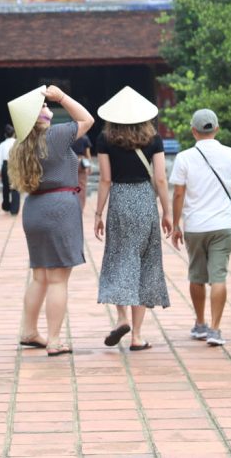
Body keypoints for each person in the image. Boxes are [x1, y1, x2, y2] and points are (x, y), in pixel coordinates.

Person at [8, 84, 94, 357]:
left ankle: (29, 330)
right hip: (59, 208)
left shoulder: (20, 145)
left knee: (40, 276)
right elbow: (86, 119)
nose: (48, 108)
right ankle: (55, 340)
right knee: (57, 279)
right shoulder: (55, 136)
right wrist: (63, 97)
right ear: (36, 117)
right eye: (44, 107)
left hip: (34, 209)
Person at [93, 86, 172, 352]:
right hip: (144, 201)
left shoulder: (105, 139)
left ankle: (121, 318)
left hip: (119, 201)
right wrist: (167, 212)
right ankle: (137, 336)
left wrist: (98, 213)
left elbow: (104, 179)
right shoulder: (154, 140)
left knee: (119, 258)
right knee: (145, 263)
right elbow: (160, 178)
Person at [168, 108, 231, 347]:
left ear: (193, 131)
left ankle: (200, 323)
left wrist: (175, 224)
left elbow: (179, 193)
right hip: (222, 225)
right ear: (217, 128)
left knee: (196, 275)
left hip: (194, 226)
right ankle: (215, 329)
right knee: (219, 276)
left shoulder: (184, 158)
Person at [0, 124, 19, 215]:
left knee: (6, 187)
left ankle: (6, 206)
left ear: (5, 134)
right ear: (14, 133)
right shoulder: (17, 143)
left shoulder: (2, 145)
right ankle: (14, 209)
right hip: (15, 165)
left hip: (5, 166)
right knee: (15, 187)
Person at [71, 134, 93, 212]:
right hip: (81, 163)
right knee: (82, 187)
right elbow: (88, 154)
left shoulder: (70, 136)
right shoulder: (85, 138)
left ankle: (71, 206)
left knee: (70, 185)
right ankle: (80, 208)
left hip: (70, 162)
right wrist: (90, 166)